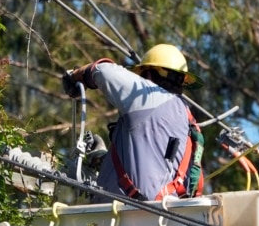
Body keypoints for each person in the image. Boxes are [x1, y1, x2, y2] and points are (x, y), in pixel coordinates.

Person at [63, 44, 205, 201]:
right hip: (163, 218)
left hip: (128, 218)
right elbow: (155, 168)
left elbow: (103, 71)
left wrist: (76, 76)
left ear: (148, 75)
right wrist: (103, 158)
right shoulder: (188, 122)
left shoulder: (149, 97)